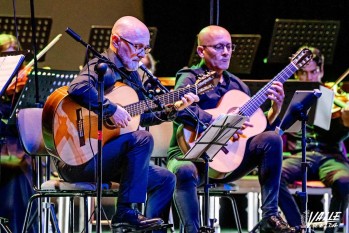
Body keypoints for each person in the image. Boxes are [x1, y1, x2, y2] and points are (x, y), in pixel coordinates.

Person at [53, 16, 199, 231]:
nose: (142, 53)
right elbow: (78, 87)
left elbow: (138, 117)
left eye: (145, 48)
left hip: (107, 159)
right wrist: (110, 109)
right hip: (78, 159)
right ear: (116, 40)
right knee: (142, 138)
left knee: (166, 179)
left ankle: (151, 229)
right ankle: (125, 213)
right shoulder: (102, 66)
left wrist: (172, 110)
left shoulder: (132, 75)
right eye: (137, 46)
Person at [167, 25, 296, 233]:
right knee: (184, 170)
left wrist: (275, 109)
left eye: (229, 46)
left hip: (229, 160)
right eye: (219, 47)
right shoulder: (189, 77)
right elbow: (181, 111)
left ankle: (270, 217)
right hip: (190, 156)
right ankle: (193, 230)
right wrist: (219, 124)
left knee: (272, 139)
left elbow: (258, 131)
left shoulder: (238, 85)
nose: (226, 52)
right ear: (201, 51)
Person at [278, 46, 349, 233]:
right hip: (298, 156)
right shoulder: (288, 96)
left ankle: (331, 230)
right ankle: (296, 226)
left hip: (330, 156)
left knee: (345, 182)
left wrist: (345, 122)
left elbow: (336, 135)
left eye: (313, 72)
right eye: (303, 73)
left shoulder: (329, 95)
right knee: (273, 175)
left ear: (321, 71)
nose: (308, 78)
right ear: (296, 74)